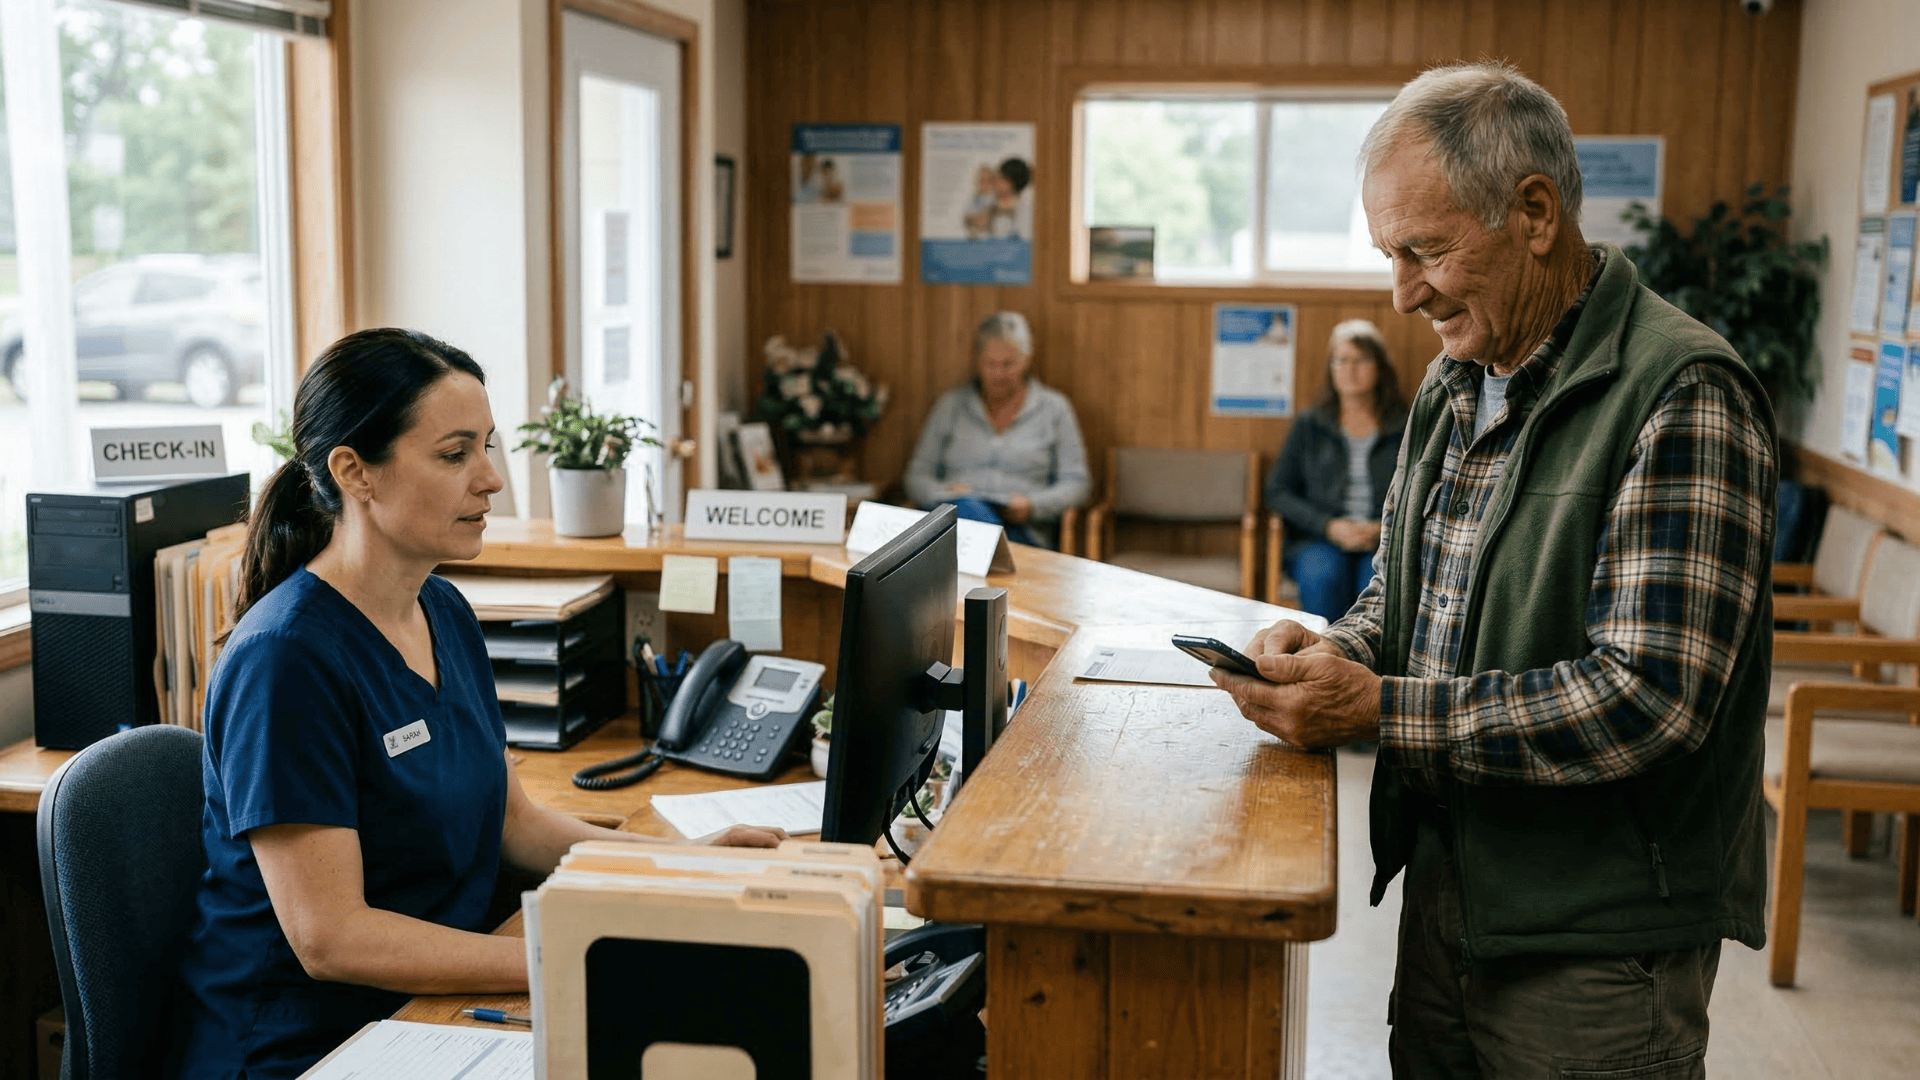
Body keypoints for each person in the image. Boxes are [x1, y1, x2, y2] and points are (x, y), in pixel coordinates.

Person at [1209, 63, 1776, 1078]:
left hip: (1598, 942)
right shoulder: (1455, 381)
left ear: (1535, 212)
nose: (1403, 292)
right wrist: (1330, 651)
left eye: (1425, 250)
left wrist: (1379, 710)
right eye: (1390, 254)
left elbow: (1646, 700)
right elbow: (1403, 591)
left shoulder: (1683, 394)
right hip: (1451, 891)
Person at [171, 329, 783, 1079]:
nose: (491, 479)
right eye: (456, 454)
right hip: (307, 1044)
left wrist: (680, 867)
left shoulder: (443, 611)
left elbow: (513, 822)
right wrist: (562, 956)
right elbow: (331, 939)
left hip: (442, 1008)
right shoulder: (287, 658)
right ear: (355, 472)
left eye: (488, 447)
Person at [903, 311, 1090, 549]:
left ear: (1026, 359)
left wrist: (1032, 506)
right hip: (955, 528)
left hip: (1022, 533)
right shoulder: (951, 405)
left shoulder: (1054, 409)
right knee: (964, 508)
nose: (998, 374)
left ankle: (991, 548)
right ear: (977, 361)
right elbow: (916, 476)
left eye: (1008, 364)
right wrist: (943, 493)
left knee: (970, 524)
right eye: (990, 364)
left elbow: (1077, 483)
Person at [1265, 319, 1407, 621]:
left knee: (1374, 585)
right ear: (1331, 368)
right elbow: (1277, 491)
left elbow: (1422, 489)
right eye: (1341, 360)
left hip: (1384, 539)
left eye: (1361, 359)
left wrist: (1382, 528)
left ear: (1380, 366)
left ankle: (1362, 667)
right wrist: (1329, 526)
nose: (1350, 369)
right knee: (1323, 578)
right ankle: (1318, 662)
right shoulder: (1310, 425)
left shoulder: (1405, 424)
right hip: (1319, 538)